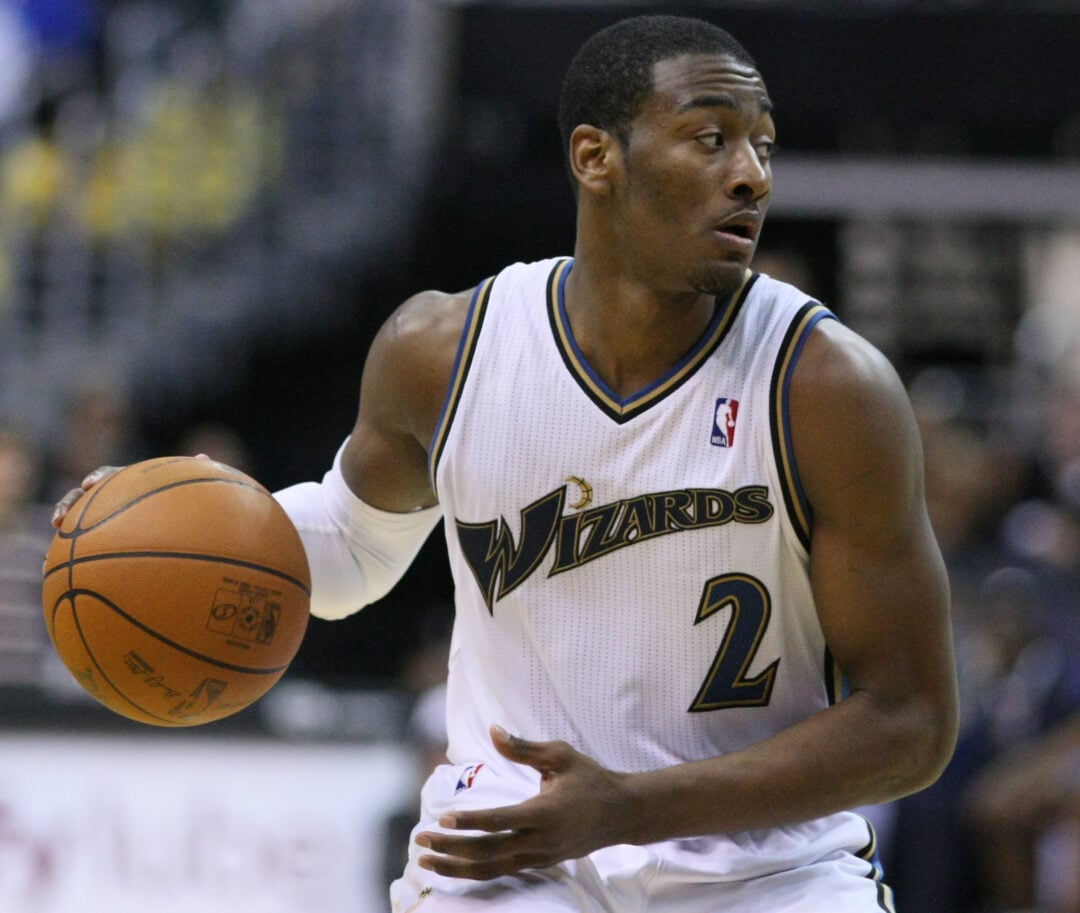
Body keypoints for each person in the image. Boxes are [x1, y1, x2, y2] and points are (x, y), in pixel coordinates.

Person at [53, 14, 959, 912]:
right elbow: (351, 549)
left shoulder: (827, 388)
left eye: (763, 144)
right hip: (512, 843)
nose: (752, 174)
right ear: (596, 157)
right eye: (711, 138)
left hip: (765, 866)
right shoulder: (441, 351)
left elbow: (913, 721)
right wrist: (164, 517)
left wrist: (633, 807)